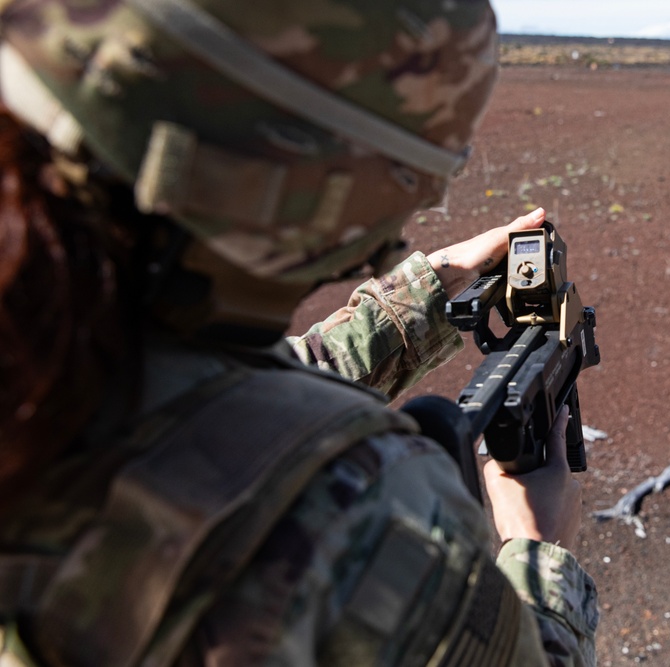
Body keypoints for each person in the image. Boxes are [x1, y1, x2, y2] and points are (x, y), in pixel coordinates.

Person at [0, 1, 599, 666]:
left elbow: (217, 397)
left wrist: (419, 297)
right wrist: (539, 553)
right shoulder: (360, 519)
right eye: (409, 183)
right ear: (306, 191)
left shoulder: (49, 337)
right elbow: (238, 434)